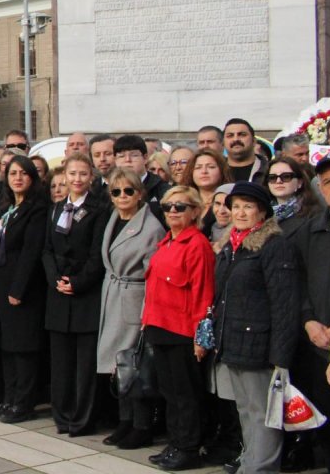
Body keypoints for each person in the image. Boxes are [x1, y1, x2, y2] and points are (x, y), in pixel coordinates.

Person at [210, 182, 299, 474]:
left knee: (263, 414)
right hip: (233, 343)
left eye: (248, 206)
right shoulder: (230, 245)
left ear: (262, 211)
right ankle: (250, 463)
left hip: (259, 346)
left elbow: (284, 304)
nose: (240, 212)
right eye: (236, 206)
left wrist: (281, 356)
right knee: (245, 410)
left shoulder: (274, 245)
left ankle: (260, 469)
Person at [141, 186, 216, 471]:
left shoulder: (197, 245)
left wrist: (200, 336)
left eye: (180, 207)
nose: (172, 211)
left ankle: (188, 448)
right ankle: (175, 443)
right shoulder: (167, 242)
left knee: (186, 394)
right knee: (169, 392)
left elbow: (203, 293)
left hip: (183, 330)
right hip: (159, 326)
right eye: (168, 206)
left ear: (195, 211)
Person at [96, 168, 166, 449]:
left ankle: (142, 425)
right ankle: (125, 421)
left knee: (134, 363)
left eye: (129, 191)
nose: (122, 196)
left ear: (140, 193)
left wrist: (148, 310)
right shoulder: (113, 218)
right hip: (113, 295)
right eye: (116, 191)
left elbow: (153, 272)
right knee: (118, 364)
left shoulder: (151, 227)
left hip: (134, 298)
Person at [43, 152, 108, 437]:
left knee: (84, 365)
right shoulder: (56, 209)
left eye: (83, 174)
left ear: (90, 177)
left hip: (85, 295)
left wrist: (78, 283)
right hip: (58, 294)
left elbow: (97, 255)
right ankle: (63, 415)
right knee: (60, 364)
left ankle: (82, 419)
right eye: (72, 174)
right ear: (64, 176)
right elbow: (46, 250)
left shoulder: (99, 210)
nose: (77, 179)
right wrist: (56, 279)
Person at [0, 156, 50, 424]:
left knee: (23, 348)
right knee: (7, 347)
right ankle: (9, 399)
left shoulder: (37, 209)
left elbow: (31, 253)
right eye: (12, 173)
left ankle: (24, 403)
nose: (17, 178)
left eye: (23, 173)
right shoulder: (7, 208)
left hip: (22, 290)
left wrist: (18, 288)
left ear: (32, 178)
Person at [295, 159, 330, 473]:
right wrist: (308, 321)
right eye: (328, 181)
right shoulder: (313, 228)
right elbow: (300, 279)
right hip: (319, 342)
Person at [265, 156, 319, 237]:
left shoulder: (314, 216)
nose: (278, 181)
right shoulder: (260, 214)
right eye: (272, 178)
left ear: (299, 183)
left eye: (286, 176)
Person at [223, 118, 265, 183]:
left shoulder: (269, 171)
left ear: (254, 141)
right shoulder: (214, 172)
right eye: (230, 135)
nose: (236, 139)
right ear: (223, 143)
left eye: (242, 134)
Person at [190, 148, 228, 215]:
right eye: (198, 167)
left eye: (211, 167)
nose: (204, 171)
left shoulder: (230, 200)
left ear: (222, 171)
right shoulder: (185, 201)